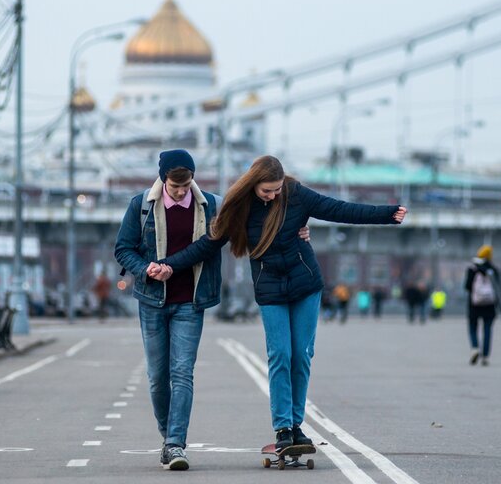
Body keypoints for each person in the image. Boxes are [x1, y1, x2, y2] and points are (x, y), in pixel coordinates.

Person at [149, 155, 407, 453]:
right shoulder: (241, 207)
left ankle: (297, 426)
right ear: (254, 185)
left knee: (302, 355)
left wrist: (388, 214)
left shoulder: (295, 195)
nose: (273, 195)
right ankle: (283, 426)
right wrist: (167, 265)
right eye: (267, 191)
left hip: (305, 285)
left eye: (277, 189)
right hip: (270, 290)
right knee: (280, 355)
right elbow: (207, 244)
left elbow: (338, 209)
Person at [115, 149, 310, 470]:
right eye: (174, 186)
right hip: (152, 299)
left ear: (192, 178)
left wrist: (300, 229)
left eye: (185, 184)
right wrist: (145, 268)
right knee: (156, 377)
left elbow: (260, 217)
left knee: (182, 373)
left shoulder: (213, 205)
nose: (180, 192)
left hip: (191, 302)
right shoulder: (141, 206)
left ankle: (175, 444)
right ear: (163, 179)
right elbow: (123, 248)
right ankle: (168, 435)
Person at [464, 245, 501, 366]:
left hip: (474, 305)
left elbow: (467, 287)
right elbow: (497, 288)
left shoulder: (472, 269)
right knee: (487, 330)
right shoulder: (493, 269)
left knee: (472, 328)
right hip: (490, 305)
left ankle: (475, 348)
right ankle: (485, 356)